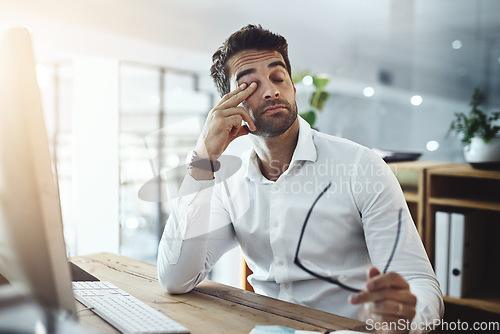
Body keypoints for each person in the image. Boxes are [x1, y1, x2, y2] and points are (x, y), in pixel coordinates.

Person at [157, 24, 443, 332]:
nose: (271, 90)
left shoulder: (362, 167)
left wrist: (404, 315)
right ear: (230, 106)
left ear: (293, 88)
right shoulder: (229, 183)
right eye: (249, 86)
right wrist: (203, 158)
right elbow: (177, 277)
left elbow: (421, 283)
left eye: (278, 78)